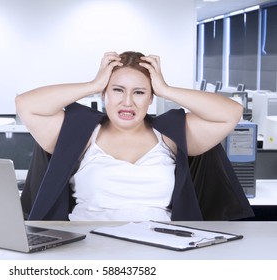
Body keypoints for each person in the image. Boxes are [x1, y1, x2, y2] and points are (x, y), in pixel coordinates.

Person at [15, 51, 253, 221]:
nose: (127, 102)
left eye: (139, 92)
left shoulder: (169, 135)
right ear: (103, 94)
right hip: (88, 248)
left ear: (151, 98)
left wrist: (166, 90)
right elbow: (26, 104)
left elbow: (231, 113)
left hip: (160, 248)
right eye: (117, 90)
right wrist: (93, 83)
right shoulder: (82, 134)